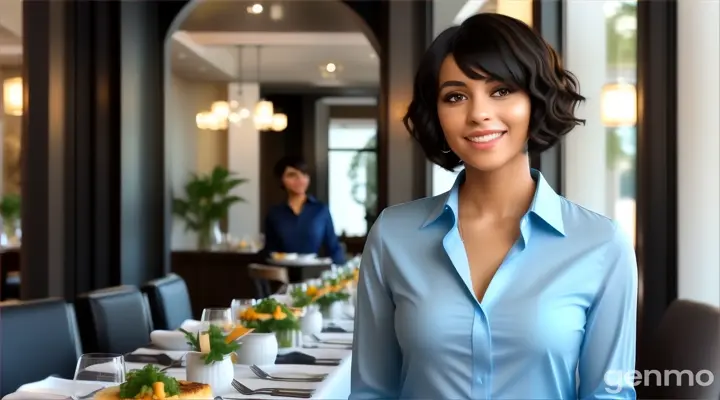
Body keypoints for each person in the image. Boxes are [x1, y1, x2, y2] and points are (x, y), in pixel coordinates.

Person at [350, 13, 637, 399]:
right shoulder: (393, 235)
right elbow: (372, 391)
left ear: (534, 101)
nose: (479, 113)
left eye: (500, 90)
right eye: (455, 96)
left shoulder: (600, 244)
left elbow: (610, 394)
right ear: (437, 114)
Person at [263, 155, 346, 265]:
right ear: (281, 179)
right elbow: (269, 252)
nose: (300, 179)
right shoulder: (274, 213)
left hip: (315, 274)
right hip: (282, 274)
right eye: (292, 175)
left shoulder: (321, 210)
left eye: (304, 174)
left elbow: (334, 248)